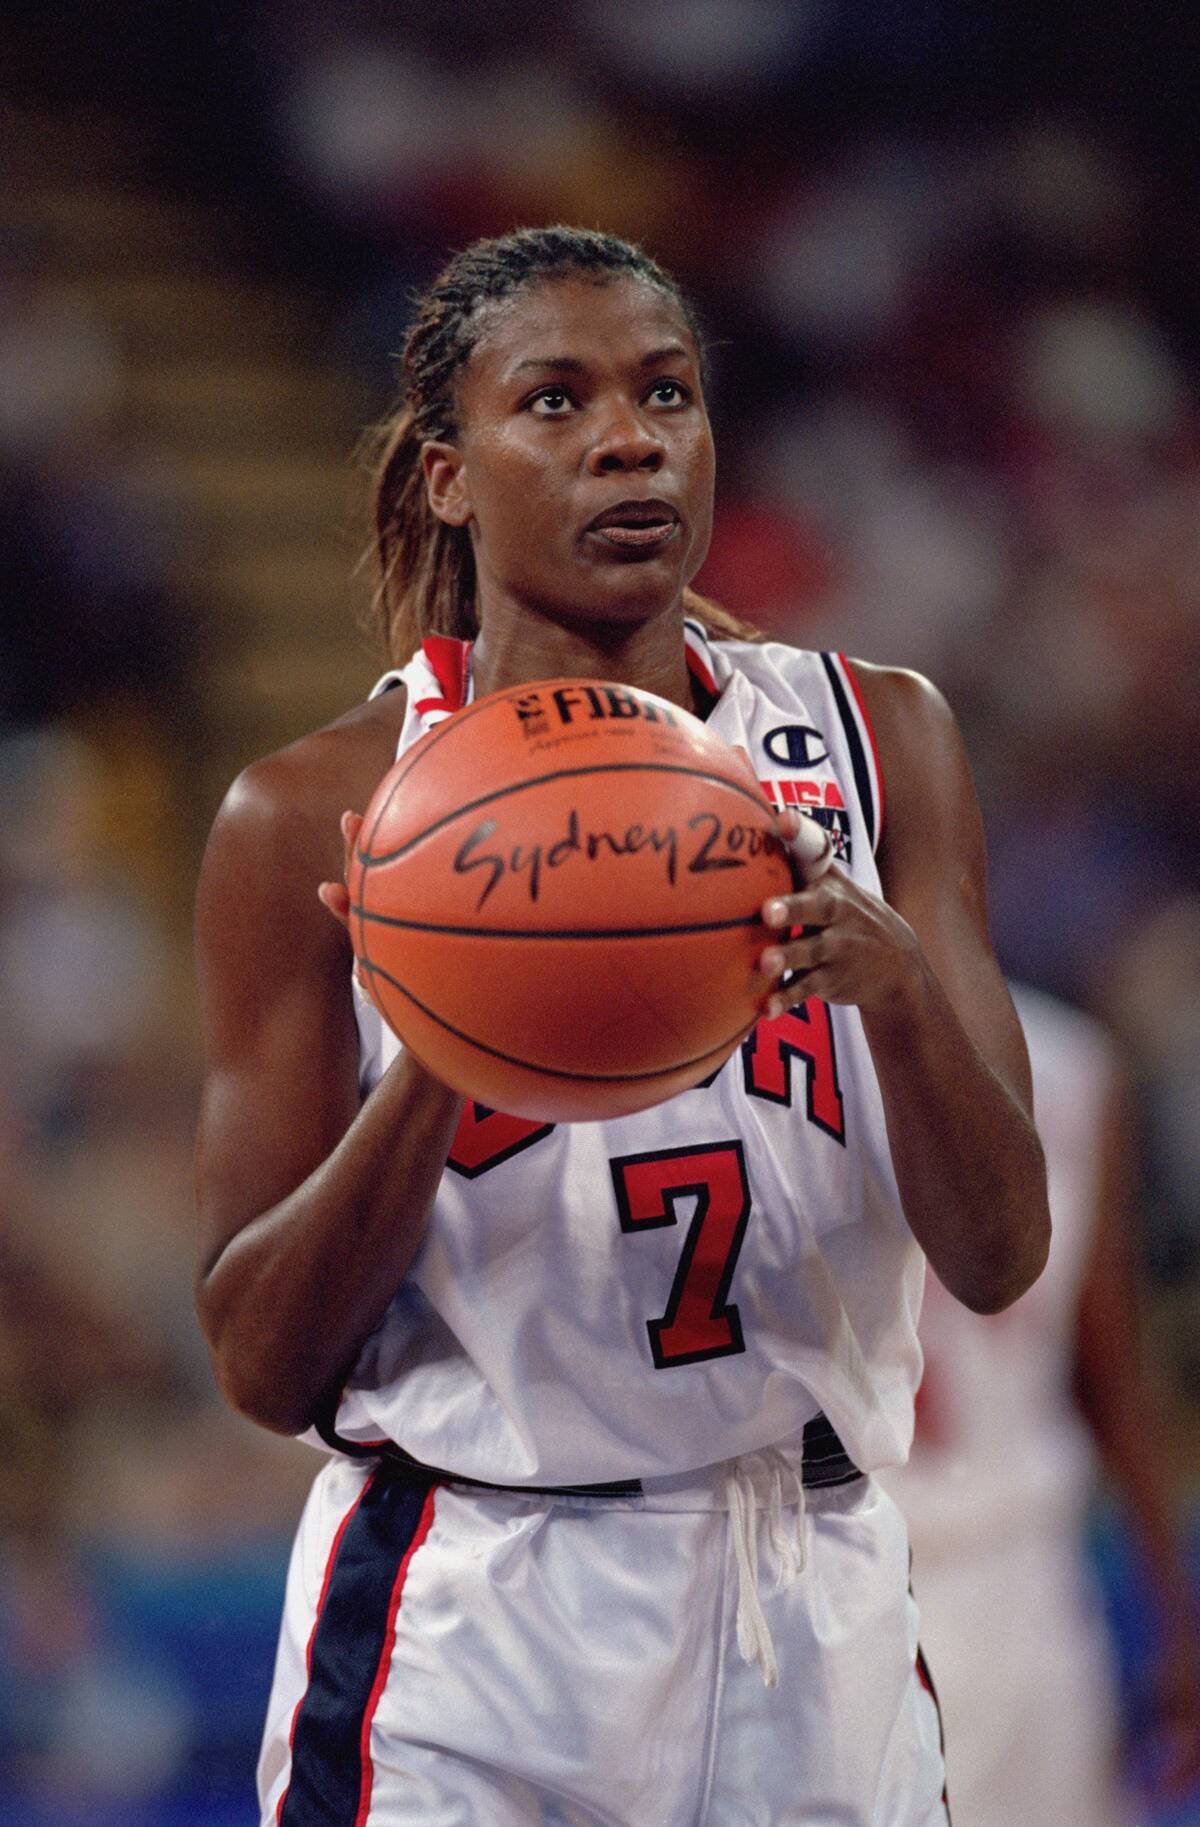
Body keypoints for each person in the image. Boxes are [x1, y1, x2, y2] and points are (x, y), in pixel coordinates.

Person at [193, 225, 1050, 1827]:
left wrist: (901, 992)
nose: (631, 435)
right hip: (478, 1615)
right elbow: (257, 1352)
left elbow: (1003, 1255)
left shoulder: (880, 742)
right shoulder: (309, 809)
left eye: (668, 391)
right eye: (558, 401)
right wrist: (443, 1061)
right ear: (448, 475)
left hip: (817, 1596)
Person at [881, 982, 1200, 1827]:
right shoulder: (1069, 1056)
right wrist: (1174, 1614)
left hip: (874, 1570)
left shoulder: (775, 1060)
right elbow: (1112, 1379)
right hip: (1016, 1582)